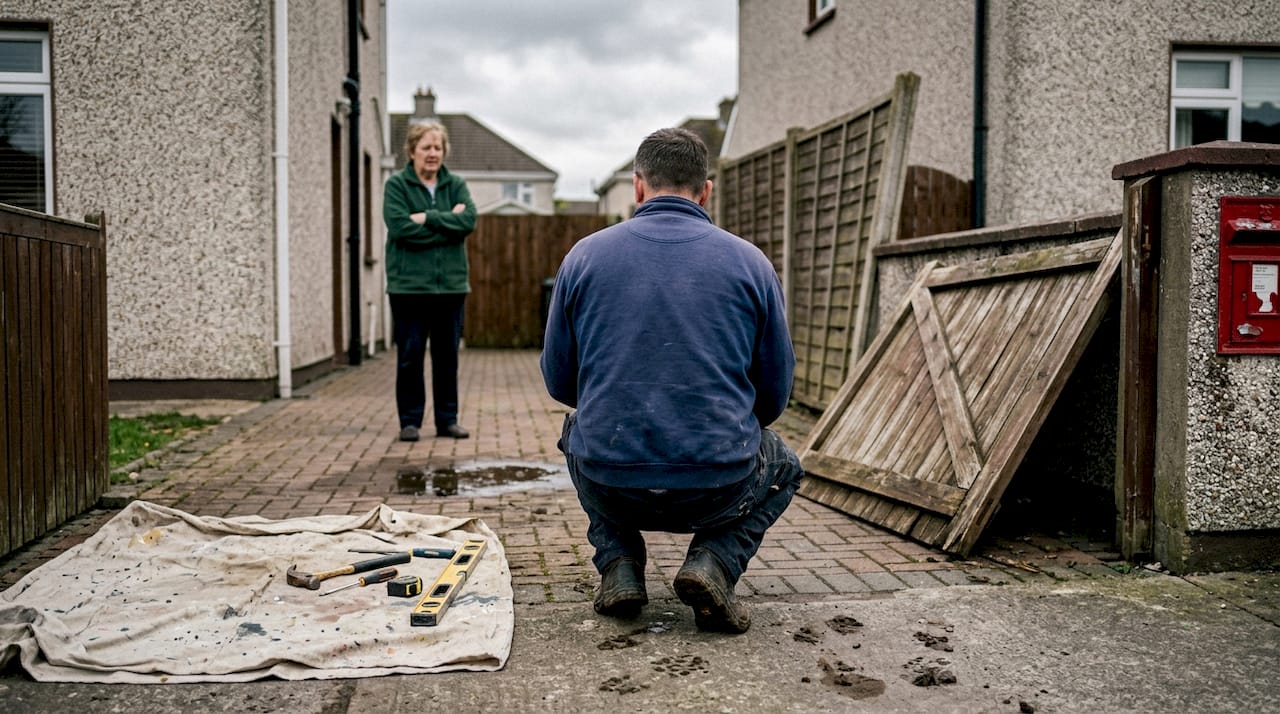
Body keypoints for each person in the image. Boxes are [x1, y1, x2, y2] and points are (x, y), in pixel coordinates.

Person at [541, 127, 803, 634]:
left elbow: (559, 381)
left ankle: (619, 566)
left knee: (578, 432)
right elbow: (774, 394)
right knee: (784, 466)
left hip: (612, 479)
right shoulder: (752, 263)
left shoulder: (583, 258)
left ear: (638, 187)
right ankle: (715, 562)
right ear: (705, 190)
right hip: (718, 482)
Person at [383, 121, 477, 441]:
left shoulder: (456, 185)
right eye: (426, 147)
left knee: (447, 356)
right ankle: (410, 422)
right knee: (410, 357)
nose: (433, 154)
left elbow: (468, 221)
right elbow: (400, 228)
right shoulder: (396, 186)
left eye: (438, 148)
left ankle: (447, 420)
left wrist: (428, 218)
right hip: (408, 288)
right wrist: (447, 226)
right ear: (412, 152)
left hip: (450, 287)